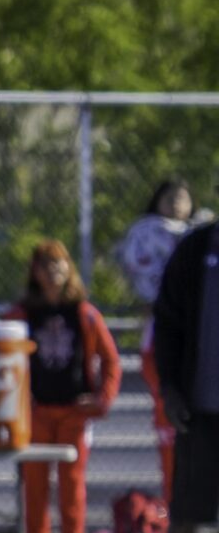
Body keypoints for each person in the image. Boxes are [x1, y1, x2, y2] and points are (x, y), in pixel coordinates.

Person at [3, 240, 119, 533]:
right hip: (36, 414)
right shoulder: (21, 314)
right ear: (35, 272)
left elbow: (110, 360)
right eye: (45, 265)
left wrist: (101, 400)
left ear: (69, 269)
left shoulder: (85, 313)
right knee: (35, 483)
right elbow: (2, 353)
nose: (53, 271)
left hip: (74, 413)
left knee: (72, 484)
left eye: (59, 263)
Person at [150, 192, 219, 533]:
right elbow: (168, 322)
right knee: (187, 507)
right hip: (203, 403)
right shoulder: (197, 249)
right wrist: (171, 388)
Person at [121, 180, 200, 505]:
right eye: (169, 197)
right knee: (172, 437)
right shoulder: (147, 234)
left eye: (182, 197)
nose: (176, 204)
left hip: (197, 345)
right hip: (164, 344)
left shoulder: (202, 238)